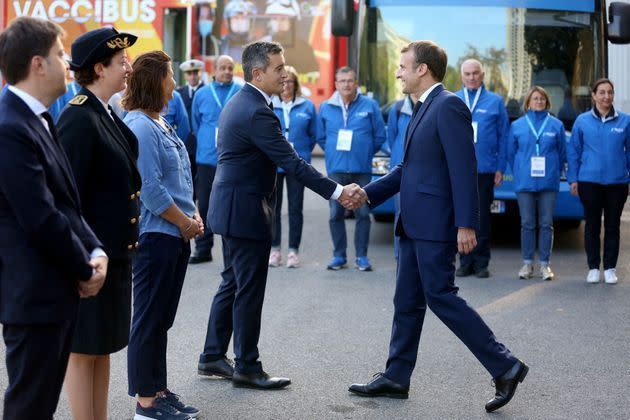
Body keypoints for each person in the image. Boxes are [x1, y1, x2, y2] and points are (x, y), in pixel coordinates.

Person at [345, 40, 527, 413]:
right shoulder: (422, 108)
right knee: (407, 302)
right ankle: (396, 377)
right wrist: (367, 193)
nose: (398, 72)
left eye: (402, 65)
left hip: (435, 225)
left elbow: (464, 169)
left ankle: (505, 366)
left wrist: (466, 224)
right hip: (412, 225)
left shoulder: (448, 106)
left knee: (441, 296)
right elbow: (407, 169)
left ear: (422, 69)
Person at [197, 41, 358, 389]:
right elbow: (293, 164)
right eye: (278, 68)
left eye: (284, 67)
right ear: (258, 73)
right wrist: (338, 191)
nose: (285, 74)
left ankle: (212, 356)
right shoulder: (256, 110)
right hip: (244, 210)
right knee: (248, 289)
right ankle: (247, 366)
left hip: (231, 207)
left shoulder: (242, 102)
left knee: (232, 282)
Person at [0, 17, 107, 419]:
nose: (67, 64)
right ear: (37, 64)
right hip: (33, 298)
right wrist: (84, 268)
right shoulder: (10, 127)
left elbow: (66, 203)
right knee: (29, 407)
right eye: (60, 55)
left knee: (40, 406)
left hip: (54, 294)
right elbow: (39, 216)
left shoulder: (40, 118)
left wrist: (95, 250)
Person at [56, 27, 142, 420]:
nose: (127, 67)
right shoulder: (78, 117)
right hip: (91, 257)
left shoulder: (104, 112)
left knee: (102, 345)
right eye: (120, 61)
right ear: (98, 68)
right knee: (81, 348)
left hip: (114, 255)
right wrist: (79, 256)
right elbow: (65, 197)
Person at [123, 51, 203, 420]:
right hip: (158, 236)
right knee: (149, 319)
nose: (174, 82)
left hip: (175, 235)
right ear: (155, 81)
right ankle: (145, 402)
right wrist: (185, 222)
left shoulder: (160, 122)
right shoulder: (139, 125)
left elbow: (181, 180)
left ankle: (158, 390)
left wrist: (194, 214)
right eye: (170, 75)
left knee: (162, 320)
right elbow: (151, 190)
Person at [317, 66, 386, 271]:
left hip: (361, 170)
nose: (346, 84)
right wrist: (333, 154)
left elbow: (379, 136)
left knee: (363, 213)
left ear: (356, 83)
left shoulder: (370, 105)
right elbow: (321, 137)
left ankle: (362, 257)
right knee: (335, 214)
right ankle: (339, 256)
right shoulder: (325, 107)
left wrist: (363, 153)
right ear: (336, 84)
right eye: (342, 81)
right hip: (336, 170)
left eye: (350, 80)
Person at [568, 78, 630, 284]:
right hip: (589, 182)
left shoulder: (625, 121)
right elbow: (574, 152)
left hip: (617, 183)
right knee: (592, 226)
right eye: (601, 92)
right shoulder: (582, 121)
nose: (606, 96)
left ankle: (610, 268)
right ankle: (594, 267)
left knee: (612, 226)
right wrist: (573, 179)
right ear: (593, 95)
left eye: (610, 92)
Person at [454, 58, 510, 278]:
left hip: (485, 169)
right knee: (460, 217)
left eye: (475, 73)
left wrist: (500, 168)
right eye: (467, 74)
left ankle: (481, 263)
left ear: (482, 74)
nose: (471, 77)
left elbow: (504, 137)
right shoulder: (453, 99)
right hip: (458, 170)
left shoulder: (495, 102)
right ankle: (464, 262)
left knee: (482, 218)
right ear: (461, 76)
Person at [508, 86, 566, 281]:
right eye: (535, 99)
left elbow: (562, 153)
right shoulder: (517, 125)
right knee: (527, 223)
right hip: (525, 183)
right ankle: (527, 264)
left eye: (542, 98)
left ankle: (544, 265)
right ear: (528, 103)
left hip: (548, 182)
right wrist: (519, 171)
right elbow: (510, 154)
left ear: (547, 102)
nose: (539, 101)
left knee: (546, 223)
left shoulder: (556, 125)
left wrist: (555, 172)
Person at [190, 55, 240, 264]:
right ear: (214, 71)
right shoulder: (201, 94)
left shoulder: (239, 93)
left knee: (232, 205)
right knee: (205, 205)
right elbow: (195, 124)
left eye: (230, 68)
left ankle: (232, 250)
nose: (227, 71)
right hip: (207, 160)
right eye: (223, 68)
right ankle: (203, 249)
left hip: (234, 160)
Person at [268, 65, 317, 268]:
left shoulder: (307, 106)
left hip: (298, 164)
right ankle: (275, 249)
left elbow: (314, 136)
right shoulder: (270, 105)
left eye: (290, 81)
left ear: (295, 84)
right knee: (274, 210)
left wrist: (303, 153)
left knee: (295, 209)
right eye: (284, 80)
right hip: (274, 164)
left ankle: (293, 252)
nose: (286, 84)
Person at [387, 93, 418, 258]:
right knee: (401, 213)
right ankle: (400, 254)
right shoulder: (397, 108)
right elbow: (392, 139)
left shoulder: (432, 106)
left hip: (423, 172)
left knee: (423, 213)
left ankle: (418, 254)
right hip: (401, 171)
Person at [177, 59, 205, 184]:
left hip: (202, 141)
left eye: (195, 72)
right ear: (185, 75)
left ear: (200, 72)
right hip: (186, 142)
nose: (193, 76)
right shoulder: (178, 93)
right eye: (189, 73)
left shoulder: (207, 91)